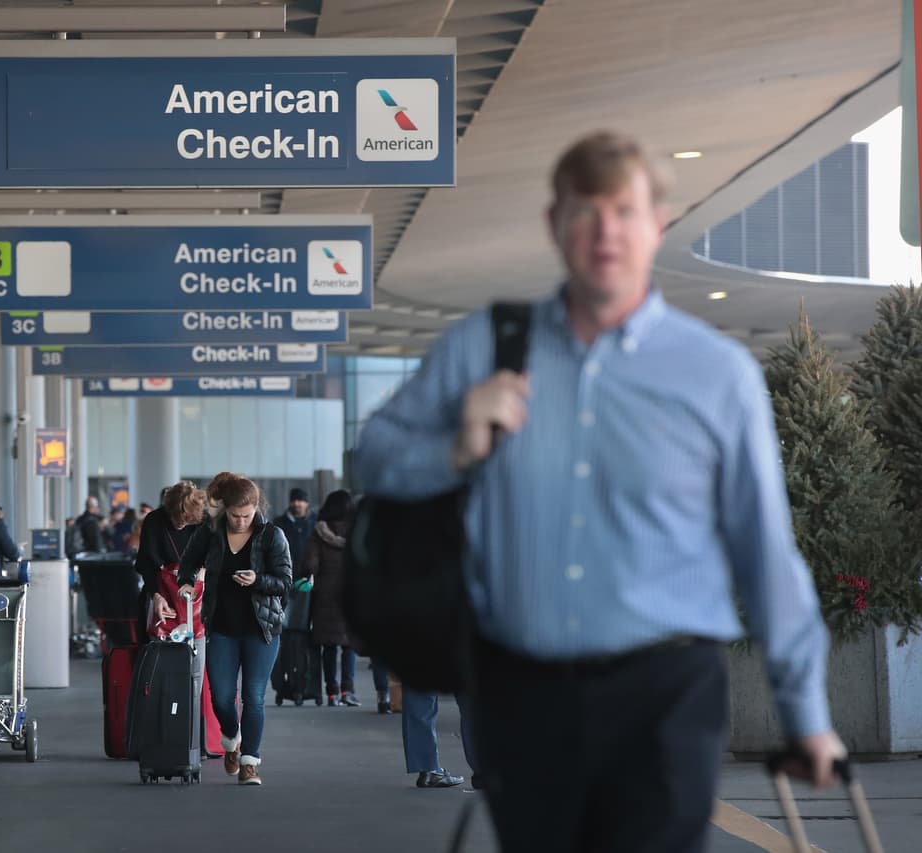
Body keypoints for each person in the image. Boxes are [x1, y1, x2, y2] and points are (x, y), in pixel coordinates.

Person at [355, 130, 844, 852]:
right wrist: (453, 448)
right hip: (521, 693)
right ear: (556, 226)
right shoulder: (483, 348)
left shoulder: (716, 374)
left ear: (658, 225)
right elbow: (375, 458)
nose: (605, 230)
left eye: (623, 210)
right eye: (585, 210)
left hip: (666, 695)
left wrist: (806, 711)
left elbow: (763, 547)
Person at [178, 473, 291, 786]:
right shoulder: (210, 532)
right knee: (221, 698)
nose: (241, 522)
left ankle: (250, 762)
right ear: (225, 510)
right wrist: (186, 582)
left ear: (256, 507)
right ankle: (231, 740)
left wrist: (259, 580)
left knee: (254, 697)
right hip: (222, 628)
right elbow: (188, 562)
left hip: (262, 630)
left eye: (247, 515)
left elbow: (285, 583)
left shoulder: (272, 535)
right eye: (235, 516)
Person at [135, 480, 208, 698]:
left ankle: (192, 714)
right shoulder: (154, 521)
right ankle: (160, 708)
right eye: (177, 518)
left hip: (196, 603)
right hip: (161, 596)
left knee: (197, 664)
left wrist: (202, 572)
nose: (181, 523)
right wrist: (155, 595)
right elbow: (145, 564)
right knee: (158, 663)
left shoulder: (204, 523)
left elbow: (214, 559)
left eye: (186, 520)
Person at [297, 489, 360, 707]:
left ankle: (331, 692)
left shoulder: (319, 532)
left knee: (329, 646)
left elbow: (310, 564)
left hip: (325, 596)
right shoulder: (357, 532)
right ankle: (347, 691)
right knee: (350, 644)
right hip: (351, 594)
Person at [273, 487, 313, 571]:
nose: (296, 503)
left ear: (306, 503)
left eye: (300, 500)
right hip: (287, 570)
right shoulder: (279, 523)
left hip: (311, 571)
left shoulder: (316, 522)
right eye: (293, 500)